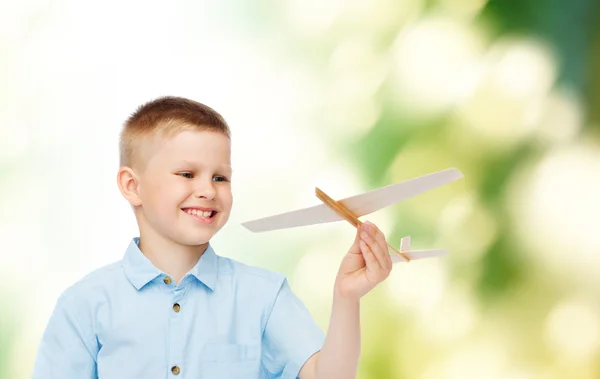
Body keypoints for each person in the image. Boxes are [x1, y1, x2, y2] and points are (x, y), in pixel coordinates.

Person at [32, 96, 394, 379]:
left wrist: (347, 298)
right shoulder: (84, 305)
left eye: (220, 177)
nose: (207, 190)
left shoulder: (264, 296)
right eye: (187, 174)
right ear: (132, 185)